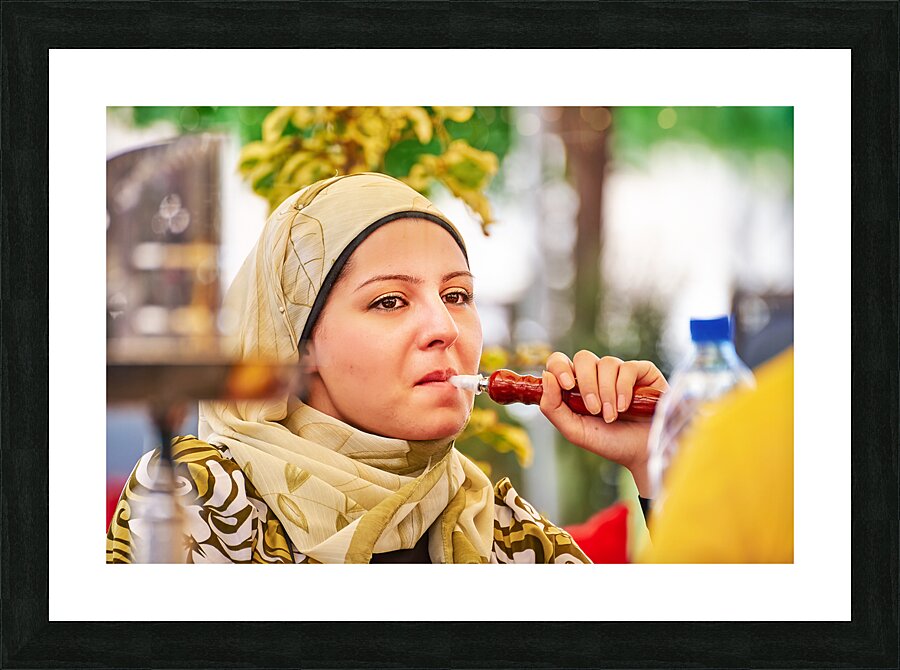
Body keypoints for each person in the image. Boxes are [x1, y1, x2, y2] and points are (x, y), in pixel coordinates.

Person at [106, 172, 668, 564]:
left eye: (456, 296)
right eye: (390, 301)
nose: (445, 328)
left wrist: (657, 462)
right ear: (299, 343)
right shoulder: (200, 496)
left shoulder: (506, 532)